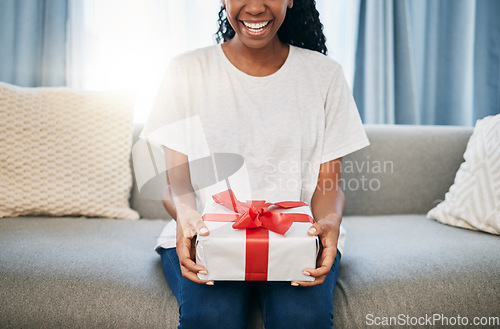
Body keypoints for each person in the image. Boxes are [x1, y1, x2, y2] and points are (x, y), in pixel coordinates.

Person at [139, 0, 369, 328]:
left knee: (302, 318)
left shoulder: (325, 75)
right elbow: (177, 183)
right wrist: (186, 215)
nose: (256, 6)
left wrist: (330, 220)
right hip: (209, 236)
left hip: (297, 238)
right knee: (212, 316)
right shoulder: (186, 70)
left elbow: (328, 185)